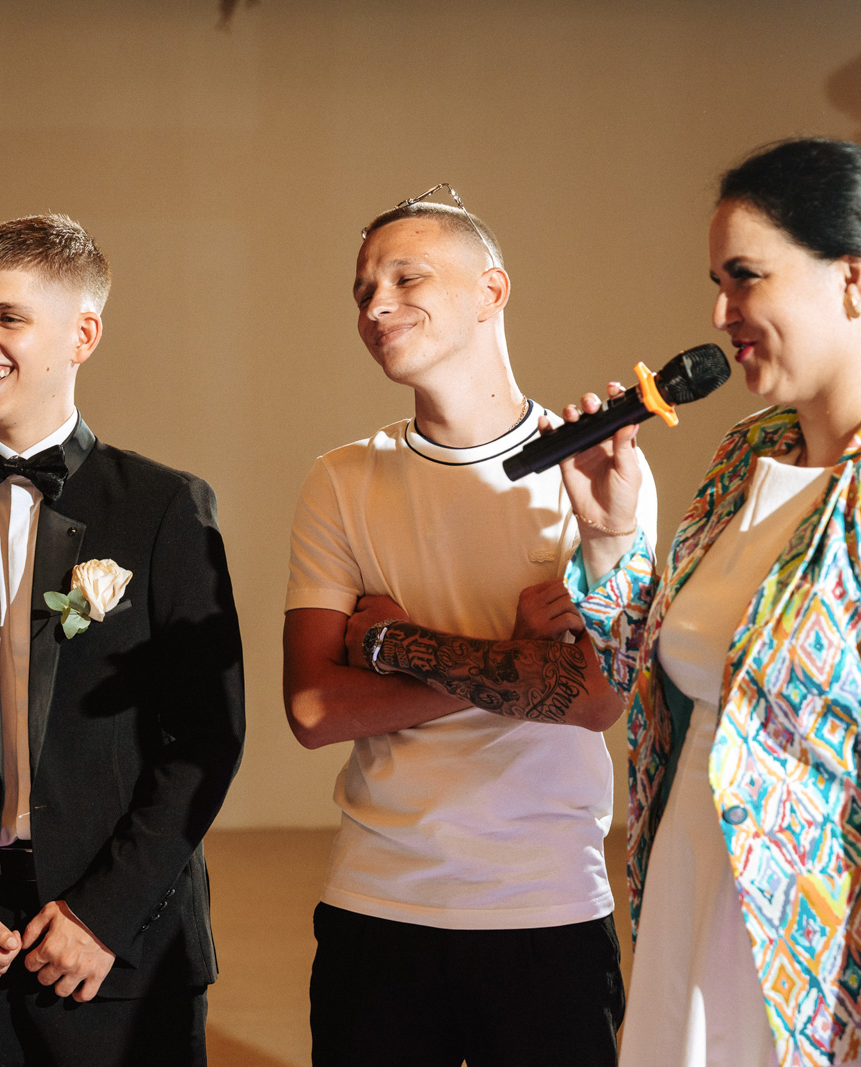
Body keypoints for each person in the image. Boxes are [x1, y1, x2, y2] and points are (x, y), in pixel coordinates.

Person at [0, 214, 245, 1066]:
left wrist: (103, 914)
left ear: (82, 335)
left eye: (8, 317)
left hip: (124, 952)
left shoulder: (166, 508)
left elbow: (205, 738)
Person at [282, 188, 655, 1067]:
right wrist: (518, 665)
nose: (375, 305)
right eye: (363, 289)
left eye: (405, 278)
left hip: (547, 910)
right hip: (376, 904)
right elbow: (314, 709)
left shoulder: (597, 471)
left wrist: (395, 646)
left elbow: (595, 698)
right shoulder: (342, 479)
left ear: (492, 290)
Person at [564, 137, 861, 1067]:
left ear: (853, 279)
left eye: (746, 278)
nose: (720, 314)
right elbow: (654, 678)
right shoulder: (747, 454)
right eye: (716, 283)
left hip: (815, 934)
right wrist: (611, 537)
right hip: (691, 880)